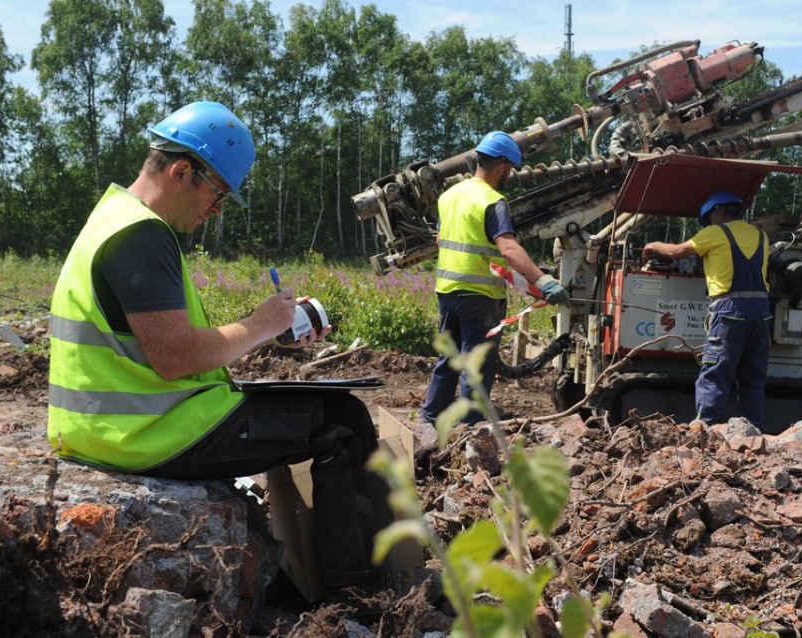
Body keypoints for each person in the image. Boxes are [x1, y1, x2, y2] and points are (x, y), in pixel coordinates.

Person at [46, 101, 426, 598]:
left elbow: (163, 350)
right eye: (219, 192)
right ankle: (358, 592)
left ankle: (330, 573)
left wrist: (264, 331)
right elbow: (176, 355)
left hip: (116, 426)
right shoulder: (141, 236)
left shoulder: (114, 218)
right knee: (342, 423)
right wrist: (260, 323)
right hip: (144, 434)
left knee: (322, 412)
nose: (218, 209)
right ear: (182, 171)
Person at [421, 130, 569, 426]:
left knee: (448, 362)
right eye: (511, 169)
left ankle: (428, 422)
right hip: (479, 297)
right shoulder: (493, 201)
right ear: (501, 164)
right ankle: (470, 432)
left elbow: (441, 239)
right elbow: (510, 249)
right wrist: (543, 281)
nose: (510, 175)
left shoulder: (450, 196)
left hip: (447, 292)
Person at [641, 190, 771, 429]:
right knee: (753, 377)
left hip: (730, 308)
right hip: (762, 310)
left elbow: (676, 252)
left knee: (716, 371)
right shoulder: (761, 235)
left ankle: (705, 427)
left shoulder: (716, 232)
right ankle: (752, 432)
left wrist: (653, 245)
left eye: (710, 218)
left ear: (719, 213)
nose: (710, 223)